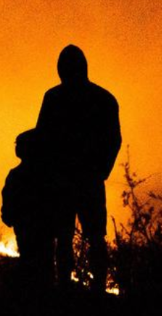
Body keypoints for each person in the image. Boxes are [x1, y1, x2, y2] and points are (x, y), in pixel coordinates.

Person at [36, 44, 121, 294]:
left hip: (66, 179)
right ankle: (95, 289)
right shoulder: (103, 99)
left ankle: (65, 287)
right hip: (84, 179)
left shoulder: (54, 98)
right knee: (92, 238)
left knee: (66, 237)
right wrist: (101, 170)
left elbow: (43, 137)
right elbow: (113, 140)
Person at [1, 129, 55, 290]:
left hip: (27, 226)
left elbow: (8, 198)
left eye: (19, 144)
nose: (16, 147)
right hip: (38, 226)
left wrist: (8, 215)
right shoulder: (46, 174)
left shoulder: (17, 174)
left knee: (30, 260)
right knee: (44, 262)